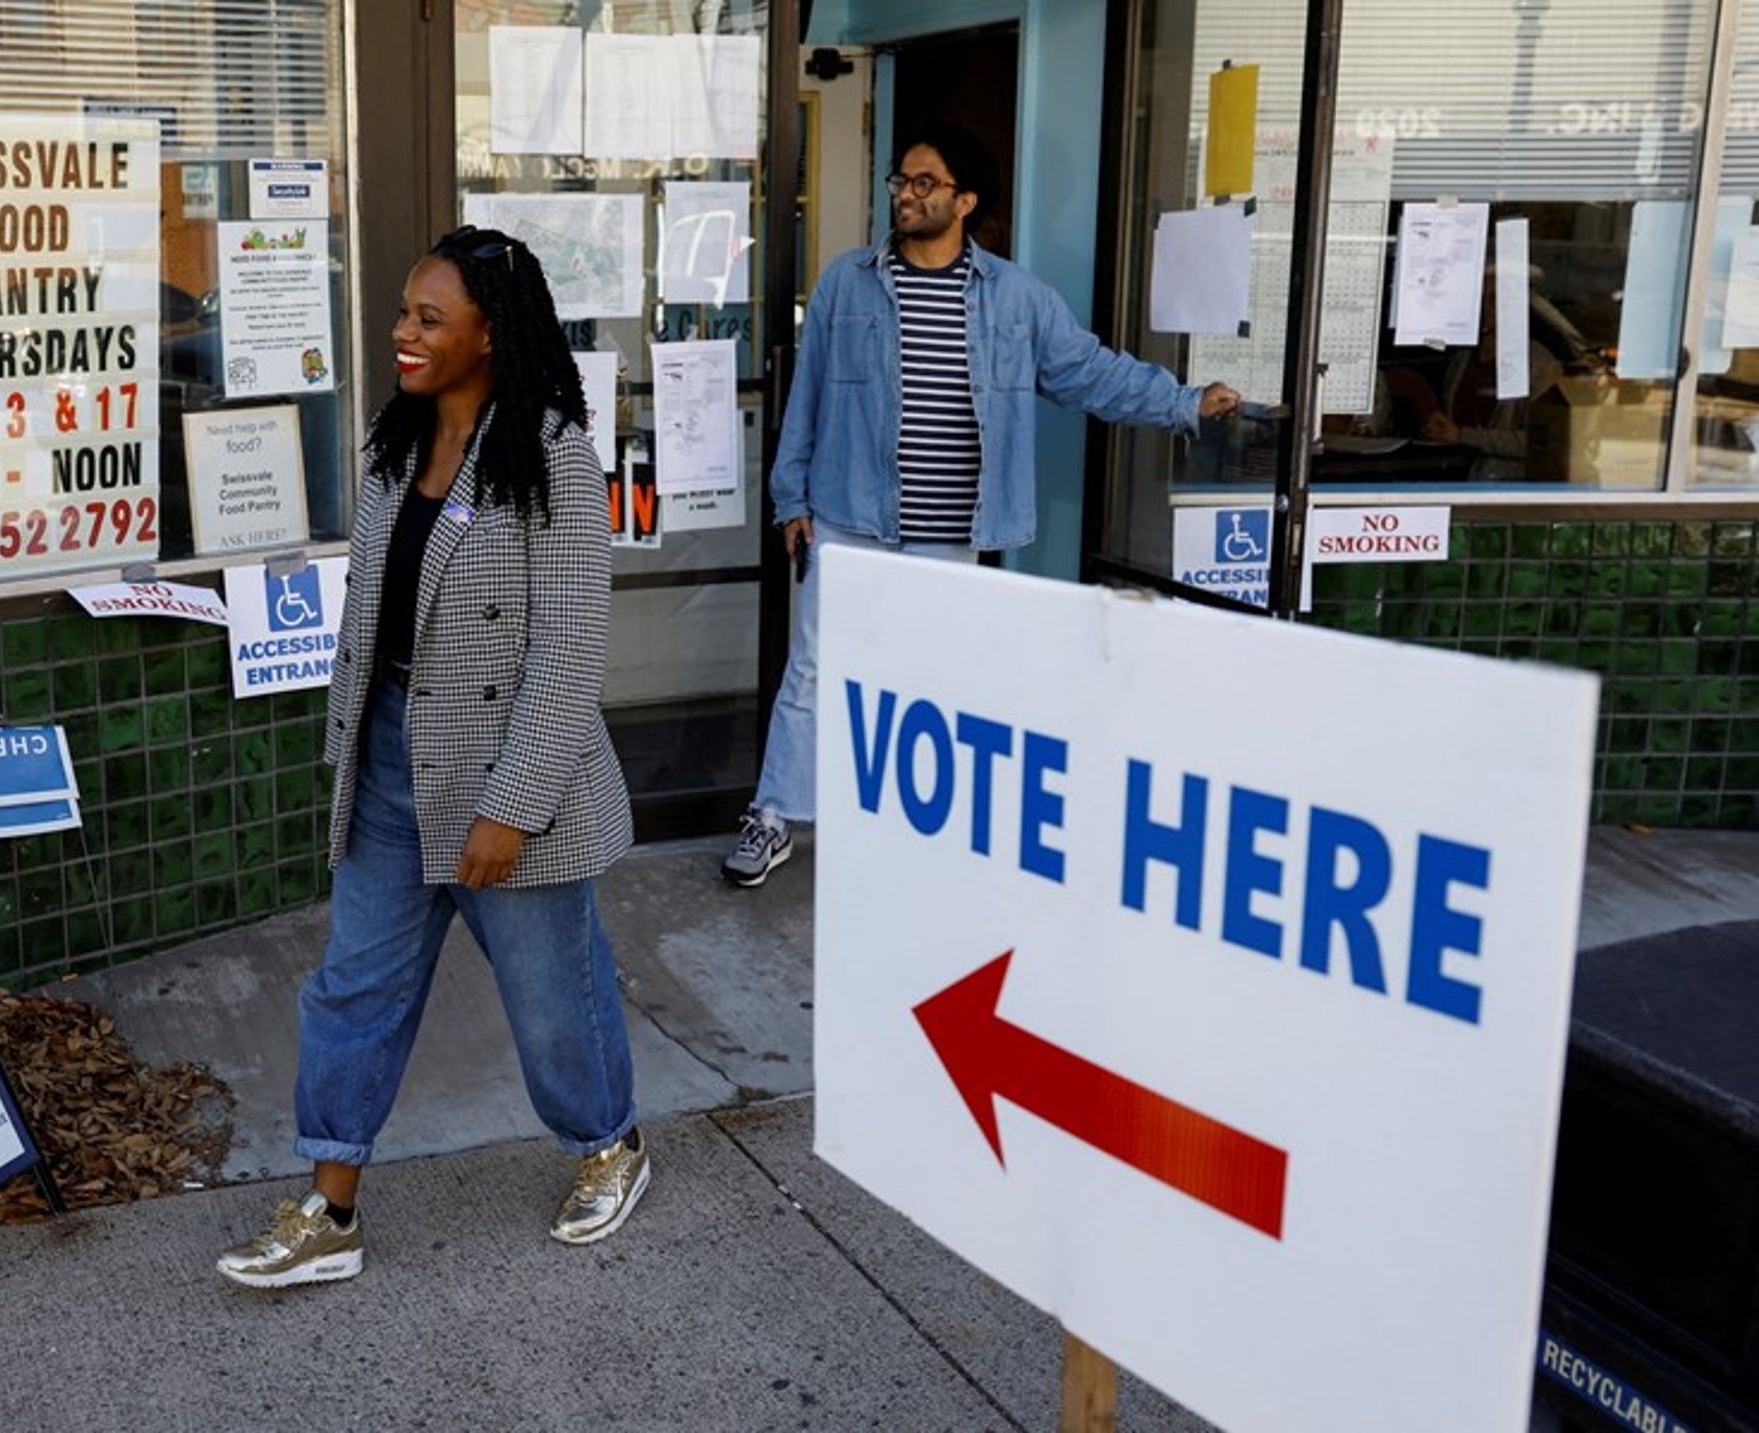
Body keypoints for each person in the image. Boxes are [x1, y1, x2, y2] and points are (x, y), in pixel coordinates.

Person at [217, 227, 644, 1288]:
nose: (402, 332)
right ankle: (330, 1206)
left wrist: (512, 803)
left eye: (428, 318)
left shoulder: (551, 452)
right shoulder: (396, 443)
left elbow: (569, 647)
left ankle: (609, 1142)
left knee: (551, 997)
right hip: (391, 758)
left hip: (507, 770)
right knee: (352, 985)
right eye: (404, 312)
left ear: (489, 334)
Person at [721, 121, 1241, 887]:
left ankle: (910, 826)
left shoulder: (1017, 298)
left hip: (951, 530)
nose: (905, 194)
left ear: (963, 201)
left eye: (923, 182)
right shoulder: (845, 284)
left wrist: (1184, 402)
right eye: (900, 180)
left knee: (930, 679)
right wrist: (790, 496)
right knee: (815, 670)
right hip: (849, 516)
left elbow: (1090, 372)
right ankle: (775, 815)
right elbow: (808, 396)